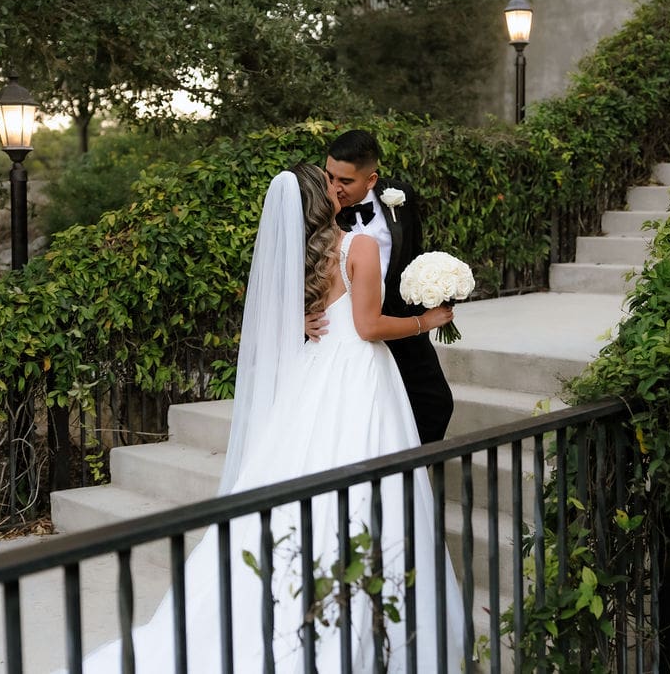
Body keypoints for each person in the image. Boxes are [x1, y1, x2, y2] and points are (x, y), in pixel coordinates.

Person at [67, 164, 465, 672]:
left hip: (316, 374)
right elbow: (367, 327)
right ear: (322, 198)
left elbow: (283, 315)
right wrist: (424, 321)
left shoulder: (302, 253)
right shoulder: (359, 245)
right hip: (359, 377)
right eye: (329, 182)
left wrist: (299, 321)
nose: (337, 186)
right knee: (368, 488)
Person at [316, 130, 455, 444]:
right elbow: (295, 268)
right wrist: (301, 316)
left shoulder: (400, 196)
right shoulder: (315, 202)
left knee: (435, 404)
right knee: (357, 419)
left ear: (371, 179)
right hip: (345, 329)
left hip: (398, 320)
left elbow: (414, 253)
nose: (334, 188)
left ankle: (411, 479)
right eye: (330, 176)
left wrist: (431, 291)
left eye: (345, 181)